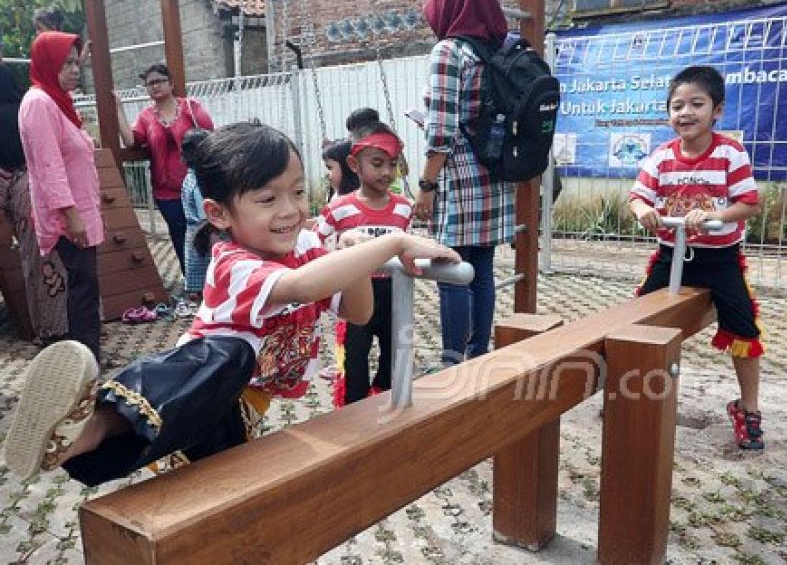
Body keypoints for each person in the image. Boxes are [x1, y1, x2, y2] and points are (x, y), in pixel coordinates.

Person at [1, 121, 459, 484]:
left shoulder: (304, 245)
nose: (290, 210)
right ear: (218, 213)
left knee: (224, 505)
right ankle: (88, 425)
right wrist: (393, 242)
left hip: (238, 412)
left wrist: (353, 249)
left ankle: (67, 441)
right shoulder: (232, 262)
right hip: (189, 396)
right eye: (267, 198)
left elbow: (359, 313)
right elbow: (299, 287)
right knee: (230, 353)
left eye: (298, 192)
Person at [628, 65, 766, 451]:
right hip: (672, 254)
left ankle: (748, 408)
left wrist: (715, 216)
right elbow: (637, 196)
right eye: (677, 106)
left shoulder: (728, 153)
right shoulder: (661, 157)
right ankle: (629, 393)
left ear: (717, 110)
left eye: (696, 104)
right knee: (638, 320)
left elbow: (748, 204)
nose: (685, 113)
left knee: (744, 330)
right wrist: (642, 211)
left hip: (720, 260)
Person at [416, 0, 515, 368]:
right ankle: (477, 355)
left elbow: (441, 130)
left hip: (459, 178)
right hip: (496, 173)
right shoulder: (504, 47)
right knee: (483, 269)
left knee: (449, 268)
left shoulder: (450, 51)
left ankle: (452, 361)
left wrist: (426, 184)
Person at [18, 32, 103, 361]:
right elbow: (49, 166)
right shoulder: (38, 103)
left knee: (85, 289)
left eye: (76, 62)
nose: (75, 69)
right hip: (69, 218)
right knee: (81, 292)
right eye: (66, 63)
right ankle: (85, 365)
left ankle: (87, 359)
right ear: (48, 63)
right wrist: (71, 217)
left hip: (79, 212)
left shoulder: (55, 102)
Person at [316, 124, 413, 404]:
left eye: (392, 164)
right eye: (378, 163)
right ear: (354, 164)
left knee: (394, 360)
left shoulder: (404, 208)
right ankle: (351, 420)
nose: (386, 172)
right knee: (352, 364)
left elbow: (406, 247)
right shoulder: (338, 208)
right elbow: (315, 245)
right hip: (354, 297)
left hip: (394, 295)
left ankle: (385, 411)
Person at [115, 63, 215, 274]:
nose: (155, 86)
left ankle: (214, 279)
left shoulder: (191, 108)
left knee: (206, 232)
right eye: (150, 83)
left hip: (198, 186)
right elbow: (131, 141)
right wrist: (118, 109)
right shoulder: (146, 117)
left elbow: (211, 140)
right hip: (166, 191)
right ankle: (191, 283)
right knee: (180, 235)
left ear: (171, 83)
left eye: (159, 81)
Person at [0, 51, 69, 342]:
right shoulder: (26, 106)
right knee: (61, 259)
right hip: (47, 187)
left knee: (37, 261)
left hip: (20, 190)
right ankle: (76, 323)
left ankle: (50, 330)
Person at [179, 129, 210, 305]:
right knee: (205, 273)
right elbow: (204, 215)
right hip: (203, 234)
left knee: (197, 272)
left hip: (194, 232)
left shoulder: (190, 177)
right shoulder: (198, 182)